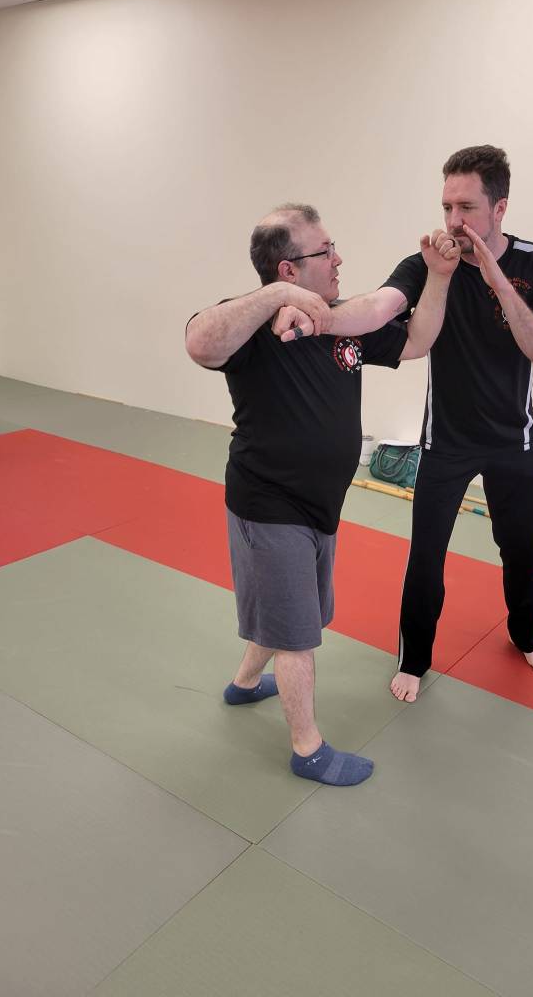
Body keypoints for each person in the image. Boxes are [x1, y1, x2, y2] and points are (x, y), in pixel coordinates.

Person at [185, 203, 459, 783]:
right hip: (269, 503)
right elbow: (199, 343)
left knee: (291, 611)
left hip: (320, 507)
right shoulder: (253, 326)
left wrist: (437, 277)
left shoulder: (342, 322)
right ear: (288, 268)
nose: (338, 259)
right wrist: (276, 298)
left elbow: (417, 340)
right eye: (325, 251)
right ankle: (307, 749)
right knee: (297, 635)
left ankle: (243, 684)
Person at [305, 146, 533, 702]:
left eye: (466, 207)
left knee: (521, 551)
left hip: (515, 440)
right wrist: (320, 317)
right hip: (446, 440)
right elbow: (379, 307)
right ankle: (414, 659)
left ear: (499, 208)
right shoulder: (428, 264)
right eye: (447, 206)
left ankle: (524, 635)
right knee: (425, 555)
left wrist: (495, 278)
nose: (453, 220)